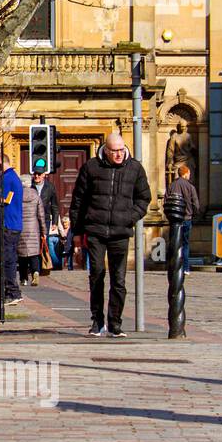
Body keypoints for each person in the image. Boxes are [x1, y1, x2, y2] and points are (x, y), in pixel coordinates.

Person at [69, 133, 152, 337]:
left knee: (119, 280)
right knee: (96, 275)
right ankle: (97, 321)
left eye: (121, 150)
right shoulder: (91, 167)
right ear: (105, 150)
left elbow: (144, 198)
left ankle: (115, 323)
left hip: (120, 232)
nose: (118, 154)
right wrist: (78, 233)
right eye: (114, 150)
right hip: (95, 230)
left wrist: (129, 217)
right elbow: (78, 201)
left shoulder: (135, 168)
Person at [164, 163, 201, 273]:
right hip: (186, 219)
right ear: (185, 174)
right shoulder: (190, 187)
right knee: (185, 244)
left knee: (175, 243)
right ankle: (185, 268)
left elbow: (166, 201)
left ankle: (174, 267)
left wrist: (169, 215)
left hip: (174, 219)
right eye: (189, 174)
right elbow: (196, 204)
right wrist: (194, 214)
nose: (189, 176)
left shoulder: (172, 185)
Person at [0, 155, 23, 304]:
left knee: (7, 260)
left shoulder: (7, 178)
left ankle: (12, 292)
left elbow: (4, 199)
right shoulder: (13, 176)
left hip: (7, 224)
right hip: (13, 224)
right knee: (9, 259)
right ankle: (11, 292)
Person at [17, 173, 46, 288]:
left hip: (21, 227)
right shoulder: (35, 195)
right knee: (34, 253)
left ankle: (23, 278)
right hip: (34, 228)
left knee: (22, 255)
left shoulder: (17, 195)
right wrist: (44, 231)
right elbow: (41, 215)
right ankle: (36, 271)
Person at [32, 170, 63, 271]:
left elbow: (54, 205)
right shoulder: (30, 186)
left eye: (39, 174)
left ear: (44, 175)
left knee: (43, 240)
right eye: (35, 174)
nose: (36, 176)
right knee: (34, 241)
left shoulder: (50, 187)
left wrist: (54, 221)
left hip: (45, 218)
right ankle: (36, 267)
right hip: (32, 218)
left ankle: (44, 265)